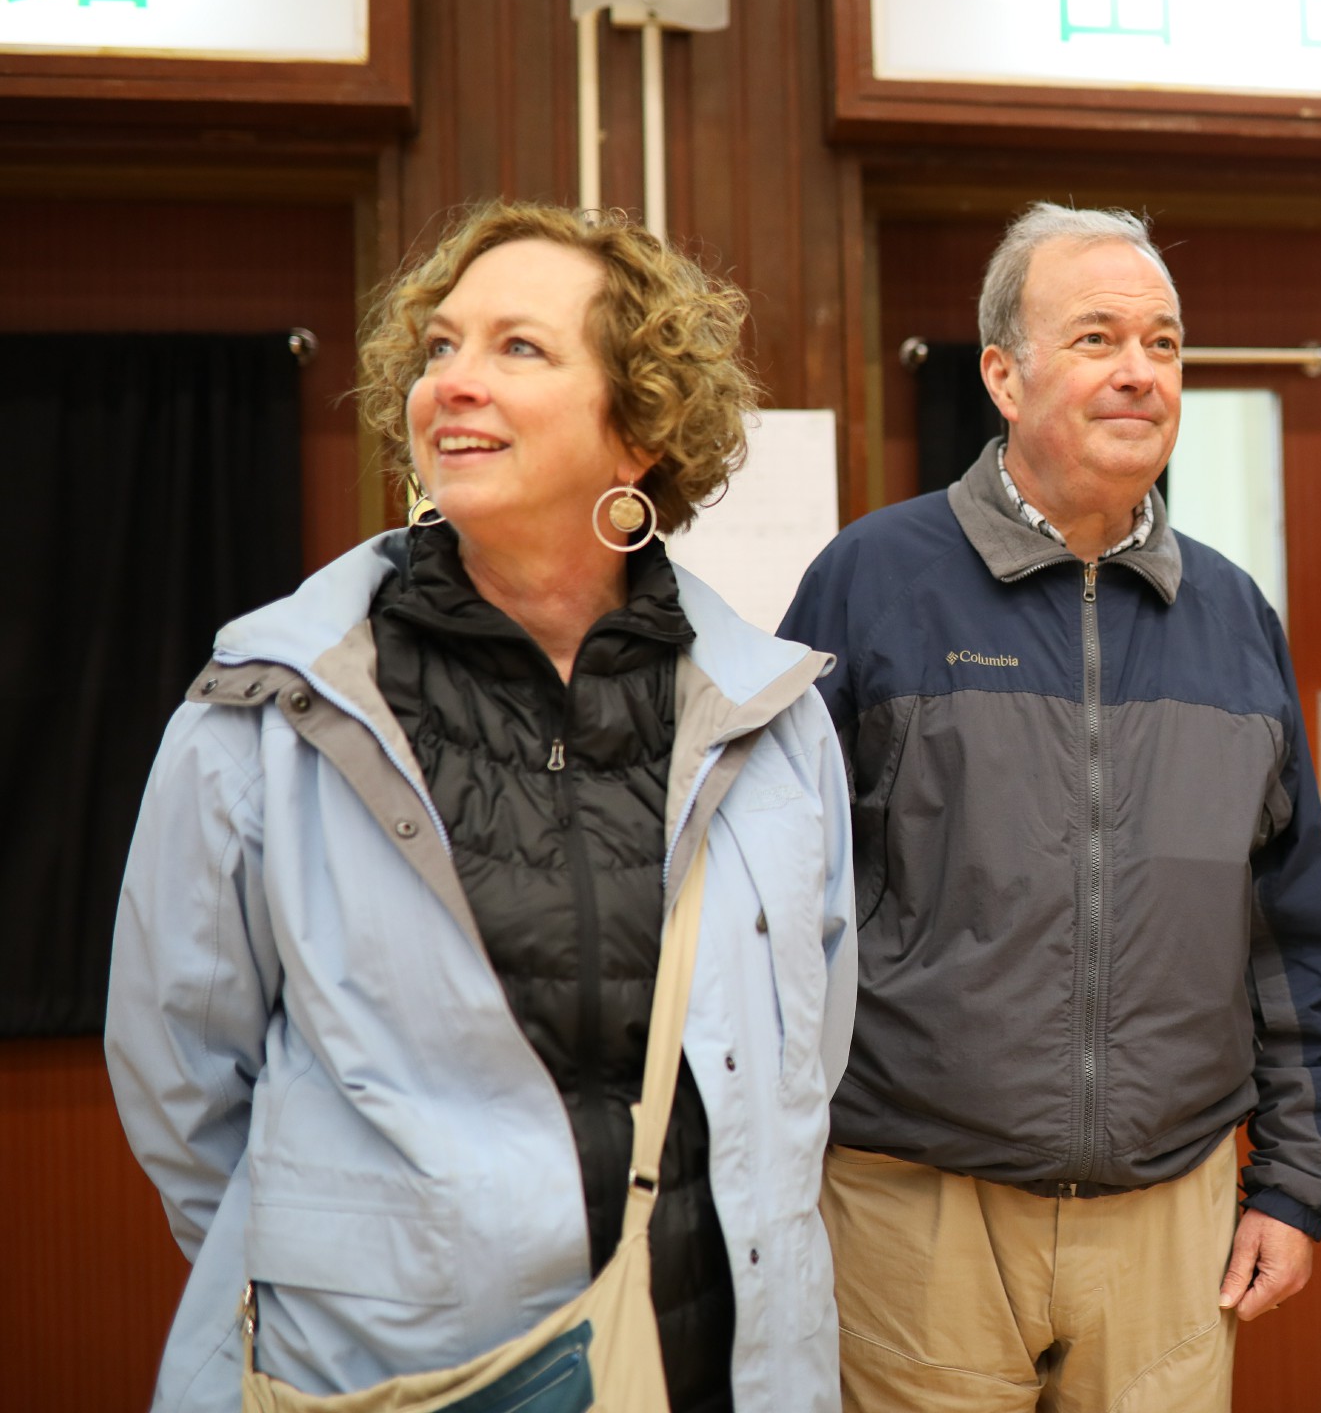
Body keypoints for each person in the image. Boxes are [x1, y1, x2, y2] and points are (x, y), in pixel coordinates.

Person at [106, 202, 854, 1413]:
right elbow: (183, 1078)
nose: (452, 381)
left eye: (519, 348)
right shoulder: (267, 708)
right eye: (441, 346)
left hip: (717, 1364)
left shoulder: (773, 716)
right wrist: (379, 1264)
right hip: (402, 1376)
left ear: (639, 430)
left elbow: (803, 1055)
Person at [778, 202, 1321, 1412]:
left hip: (1172, 1213)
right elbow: (773, 905)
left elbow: (1288, 926)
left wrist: (1294, 1184)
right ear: (1004, 374)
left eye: (1164, 343)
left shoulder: (1232, 615)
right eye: (1098, 338)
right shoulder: (872, 580)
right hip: (916, 1208)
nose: (1140, 371)